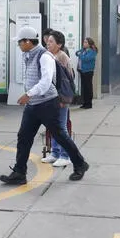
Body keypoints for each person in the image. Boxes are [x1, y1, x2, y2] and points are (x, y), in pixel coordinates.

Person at [0, 27, 89, 185]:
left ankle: (80, 163)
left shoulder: (44, 56)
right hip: (33, 105)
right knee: (24, 137)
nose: (19, 45)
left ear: (27, 42)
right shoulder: (28, 55)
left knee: (60, 135)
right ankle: (19, 173)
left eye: (20, 42)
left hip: (47, 104)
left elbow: (46, 82)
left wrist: (28, 94)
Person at [42, 30, 74, 167]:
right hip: (51, 97)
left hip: (61, 98)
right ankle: (55, 153)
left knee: (61, 127)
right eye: (47, 41)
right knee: (54, 126)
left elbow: (69, 79)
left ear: (59, 44)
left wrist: (63, 99)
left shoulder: (62, 57)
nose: (48, 44)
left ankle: (65, 155)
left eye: (51, 42)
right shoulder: (48, 55)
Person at [76, 37, 97, 109]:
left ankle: (89, 103)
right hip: (82, 71)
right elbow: (77, 52)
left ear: (89, 44)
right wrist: (81, 52)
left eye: (86, 42)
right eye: (84, 42)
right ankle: (84, 103)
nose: (84, 44)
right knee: (84, 88)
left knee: (88, 88)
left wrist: (80, 54)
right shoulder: (84, 50)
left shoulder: (92, 51)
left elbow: (86, 59)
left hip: (88, 71)